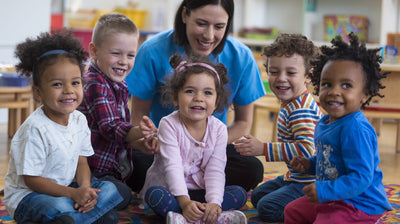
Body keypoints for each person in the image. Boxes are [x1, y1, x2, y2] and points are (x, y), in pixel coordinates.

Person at [126, 0, 266, 193]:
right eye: (201, 23)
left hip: (212, 150)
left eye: (219, 27)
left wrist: (206, 148)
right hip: (163, 149)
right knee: (132, 165)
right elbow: (138, 119)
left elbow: (243, 123)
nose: (209, 36)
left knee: (252, 169)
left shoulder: (242, 56)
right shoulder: (152, 50)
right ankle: (198, 194)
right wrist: (150, 143)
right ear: (185, 15)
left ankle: (172, 196)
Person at [3, 30, 123, 224]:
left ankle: (75, 218)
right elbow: (31, 180)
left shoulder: (79, 120)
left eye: (75, 82)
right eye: (57, 84)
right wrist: (73, 194)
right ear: (38, 92)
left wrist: (83, 188)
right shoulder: (35, 128)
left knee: (115, 190)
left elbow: (82, 162)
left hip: (67, 189)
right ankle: (90, 217)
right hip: (29, 196)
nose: (68, 90)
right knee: (58, 207)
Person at [284, 32, 392, 224]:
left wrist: (325, 191)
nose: (334, 91)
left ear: (364, 95)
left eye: (346, 85)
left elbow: (361, 177)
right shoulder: (325, 122)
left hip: (360, 203)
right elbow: (330, 158)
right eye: (327, 84)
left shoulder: (356, 129)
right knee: (292, 211)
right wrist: (309, 164)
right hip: (334, 197)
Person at [140, 54, 247, 224]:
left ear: (216, 100)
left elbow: (216, 170)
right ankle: (200, 216)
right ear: (175, 97)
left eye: (207, 93)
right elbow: (172, 167)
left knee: (239, 194)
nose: (199, 98)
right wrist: (185, 203)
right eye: (190, 91)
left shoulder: (219, 129)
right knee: (155, 195)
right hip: (173, 192)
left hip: (201, 192)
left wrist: (214, 203)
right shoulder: (168, 124)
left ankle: (193, 217)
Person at [234, 33, 322, 222]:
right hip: (296, 177)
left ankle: (315, 212)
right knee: (257, 196)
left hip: (310, 182)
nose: (281, 78)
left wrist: (263, 148)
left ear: (308, 76)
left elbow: (306, 150)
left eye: (290, 73)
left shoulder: (301, 110)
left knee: (267, 207)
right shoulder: (292, 103)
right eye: (274, 72)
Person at [77, 12, 158, 210]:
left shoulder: (116, 83)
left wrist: (140, 144)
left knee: (155, 170)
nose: (124, 61)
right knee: (121, 195)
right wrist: (140, 130)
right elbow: (110, 128)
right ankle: (82, 199)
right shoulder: (94, 83)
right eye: (116, 53)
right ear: (94, 52)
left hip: (114, 162)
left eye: (130, 55)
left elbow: (117, 135)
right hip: (92, 169)